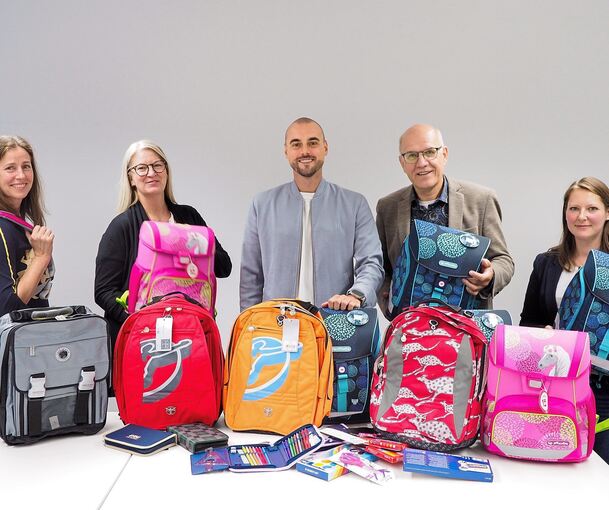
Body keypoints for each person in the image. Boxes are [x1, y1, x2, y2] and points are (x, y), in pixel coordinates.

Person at [95, 140, 232, 346]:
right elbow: (103, 291)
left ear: (166, 172)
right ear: (131, 178)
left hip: (189, 332)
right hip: (140, 339)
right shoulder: (122, 226)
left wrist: (188, 243)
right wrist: (139, 320)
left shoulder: (188, 216)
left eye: (158, 165)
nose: (151, 173)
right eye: (141, 168)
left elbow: (224, 267)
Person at [239, 117, 384, 311]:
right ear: (286, 151)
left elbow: (372, 262)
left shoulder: (354, 204)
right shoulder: (263, 204)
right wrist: (249, 325)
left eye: (313, 143)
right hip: (275, 326)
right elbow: (251, 275)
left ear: (325, 147)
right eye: (296, 144)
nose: (305, 151)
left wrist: (357, 294)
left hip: (333, 321)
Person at [376, 124, 514, 318]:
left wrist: (489, 277)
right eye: (412, 155)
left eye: (429, 152)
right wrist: (389, 303)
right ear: (402, 162)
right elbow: (382, 267)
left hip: (467, 326)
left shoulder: (481, 199)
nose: (422, 162)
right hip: (409, 326)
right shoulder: (387, 207)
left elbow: (503, 260)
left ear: (445, 154)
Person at [519, 176, 609, 463]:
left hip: (604, 390)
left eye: (591, 208)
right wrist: (543, 335)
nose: (582, 216)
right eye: (574, 209)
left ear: (608, 212)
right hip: (556, 383)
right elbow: (528, 322)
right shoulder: (546, 263)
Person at [0, 136, 54, 315]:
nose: (21, 175)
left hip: (30, 339)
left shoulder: (21, 225)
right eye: (10, 168)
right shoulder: (2, 228)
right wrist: (40, 258)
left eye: (26, 166)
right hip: (10, 341)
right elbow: (8, 309)